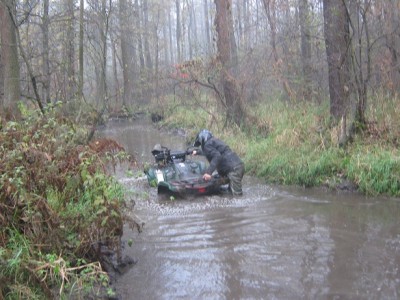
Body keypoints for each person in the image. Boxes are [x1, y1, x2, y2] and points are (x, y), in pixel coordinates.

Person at [192, 129, 245, 196]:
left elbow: (217, 156)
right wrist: (198, 152)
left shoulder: (207, 145)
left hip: (233, 170)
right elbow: (211, 152)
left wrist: (208, 173)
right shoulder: (215, 141)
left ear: (202, 139)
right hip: (238, 167)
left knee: (237, 197)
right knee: (229, 192)